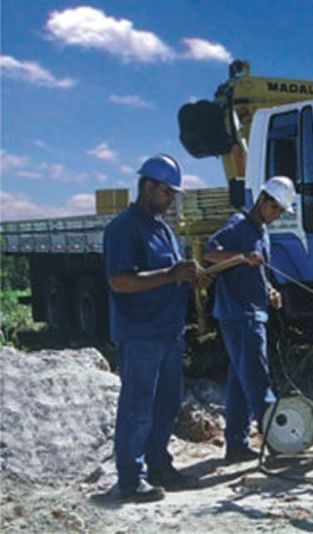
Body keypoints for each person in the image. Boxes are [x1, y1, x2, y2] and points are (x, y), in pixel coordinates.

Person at [103, 154, 204, 502]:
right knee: (138, 405)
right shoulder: (124, 228)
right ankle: (130, 479)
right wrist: (172, 274)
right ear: (147, 186)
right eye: (167, 192)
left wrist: (186, 278)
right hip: (140, 333)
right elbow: (120, 281)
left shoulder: (162, 228)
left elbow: (168, 274)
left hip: (168, 332)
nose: (171, 199)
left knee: (165, 404)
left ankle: (159, 465)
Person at [204, 176, 296, 463]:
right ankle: (278, 442)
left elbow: (257, 271)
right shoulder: (237, 224)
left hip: (253, 311)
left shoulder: (261, 230)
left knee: (239, 382)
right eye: (276, 209)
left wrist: (269, 290)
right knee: (257, 378)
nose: (277, 215)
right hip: (240, 315)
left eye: (281, 211)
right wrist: (242, 256)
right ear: (262, 200)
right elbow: (210, 253)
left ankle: (236, 444)